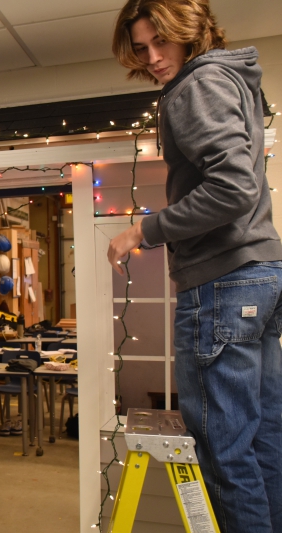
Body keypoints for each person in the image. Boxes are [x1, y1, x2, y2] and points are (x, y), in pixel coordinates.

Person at [110, 1, 282, 531]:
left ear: (190, 31)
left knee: (226, 455)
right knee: (263, 440)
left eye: (162, 42)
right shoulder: (233, 80)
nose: (154, 57)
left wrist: (144, 229)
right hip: (260, 274)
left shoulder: (196, 86)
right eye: (142, 47)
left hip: (222, 283)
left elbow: (232, 188)